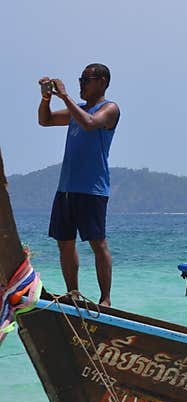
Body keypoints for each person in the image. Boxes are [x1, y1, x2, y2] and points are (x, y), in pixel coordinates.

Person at [38, 64, 120, 306]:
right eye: (80, 79)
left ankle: (105, 299)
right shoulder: (79, 110)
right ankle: (72, 293)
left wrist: (64, 95)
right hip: (66, 188)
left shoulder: (109, 109)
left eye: (86, 79)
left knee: (97, 242)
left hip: (92, 189)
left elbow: (89, 123)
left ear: (102, 81)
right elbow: (46, 120)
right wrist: (45, 98)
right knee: (64, 242)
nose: (81, 84)